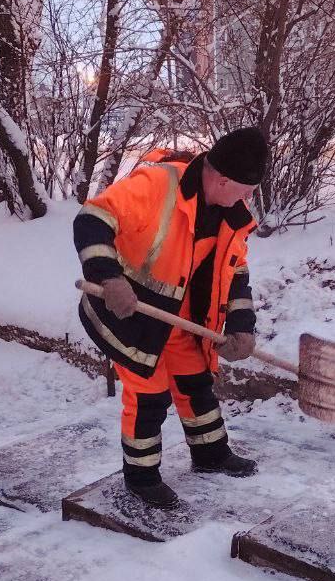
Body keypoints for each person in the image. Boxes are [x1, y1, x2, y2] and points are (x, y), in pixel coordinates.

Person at [73, 127, 267, 508]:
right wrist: (109, 278)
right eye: (246, 189)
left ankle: (211, 453)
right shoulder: (157, 185)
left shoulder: (233, 216)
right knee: (149, 396)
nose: (249, 198)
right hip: (127, 315)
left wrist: (241, 327)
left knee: (196, 381)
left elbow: (236, 273)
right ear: (223, 179)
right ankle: (142, 477)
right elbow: (92, 219)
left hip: (177, 320)